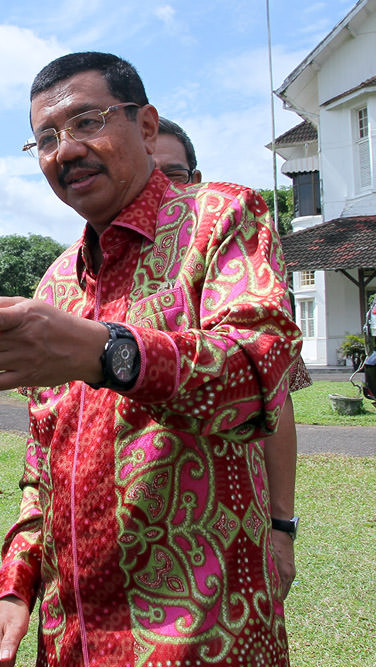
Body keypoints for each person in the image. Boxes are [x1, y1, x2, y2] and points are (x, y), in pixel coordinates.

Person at [0, 52, 301, 666]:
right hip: (71, 639)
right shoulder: (56, 283)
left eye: (87, 121)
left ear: (145, 126)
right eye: (45, 138)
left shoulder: (220, 219)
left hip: (198, 632)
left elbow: (258, 371)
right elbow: (42, 461)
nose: (65, 150)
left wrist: (103, 351)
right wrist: (15, 584)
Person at [156, 116, 308, 599]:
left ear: (196, 181)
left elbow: (278, 406)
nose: (161, 189)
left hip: (226, 548)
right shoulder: (83, 277)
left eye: (173, 174)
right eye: (146, 174)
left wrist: (282, 527)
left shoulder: (234, 264)